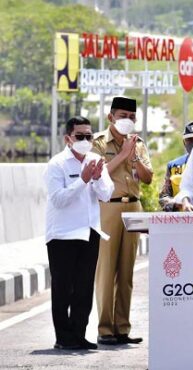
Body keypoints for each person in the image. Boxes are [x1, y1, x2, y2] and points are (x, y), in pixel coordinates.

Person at [45, 116, 114, 350]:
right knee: (63, 288)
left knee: (84, 288)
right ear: (68, 138)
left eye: (89, 136)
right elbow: (58, 200)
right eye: (80, 136)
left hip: (90, 231)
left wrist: (95, 180)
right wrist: (82, 181)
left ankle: (79, 335)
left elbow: (106, 194)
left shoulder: (96, 160)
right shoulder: (57, 164)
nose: (86, 140)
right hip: (62, 235)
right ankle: (63, 338)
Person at [92, 97, 153, 345]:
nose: (127, 120)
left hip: (133, 205)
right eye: (122, 115)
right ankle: (105, 329)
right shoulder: (98, 142)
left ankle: (122, 328)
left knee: (127, 270)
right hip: (109, 207)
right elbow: (98, 174)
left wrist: (134, 156)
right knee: (106, 268)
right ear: (111, 117)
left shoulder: (139, 145)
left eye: (131, 116)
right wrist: (122, 155)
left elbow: (148, 178)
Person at [159, 121, 193, 211]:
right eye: (190, 140)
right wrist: (178, 204)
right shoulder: (174, 166)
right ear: (184, 142)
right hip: (181, 221)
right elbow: (163, 197)